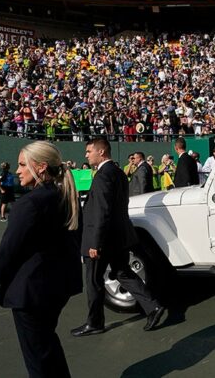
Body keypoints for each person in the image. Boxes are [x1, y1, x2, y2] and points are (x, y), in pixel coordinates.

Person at [0, 141, 82, 377]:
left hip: (31, 293)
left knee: (38, 361)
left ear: (41, 167)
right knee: (48, 347)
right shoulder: (64, 196)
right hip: (57, 289)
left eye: (22, 165)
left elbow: (6, 252)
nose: (18, 170)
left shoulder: (29, 203)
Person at [71, 137, 165, 336]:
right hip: (119, 236)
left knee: (94, 280)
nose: (86, 155)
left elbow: (102, 211)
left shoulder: (104, 175)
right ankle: (153, 307)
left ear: (101, 152)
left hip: (103, 239)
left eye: (89, 151)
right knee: (123, 273)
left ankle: (95, 323)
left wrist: (94, 242)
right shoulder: (119, 173)